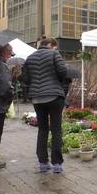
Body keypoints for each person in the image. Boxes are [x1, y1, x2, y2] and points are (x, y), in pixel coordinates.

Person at [22, 38, 67, 173]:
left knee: (42, 130)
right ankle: (57, 164)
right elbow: (63, 71)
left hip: (37, 98)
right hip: (54, 96)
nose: (56, 49)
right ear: (51, 45)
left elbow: (25, 78)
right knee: (56, 129)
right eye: (55, 46)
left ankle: (43, 163)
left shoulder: (30, 58)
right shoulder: (54, 54)